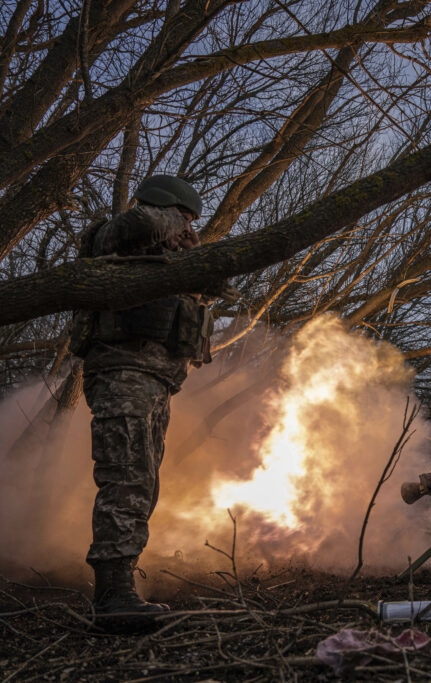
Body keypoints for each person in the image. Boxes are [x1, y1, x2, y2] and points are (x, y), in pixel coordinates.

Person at [71, 175, 232, 628]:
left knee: (142, 481)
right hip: (124, 372)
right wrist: (169, 220)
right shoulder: (114, 234)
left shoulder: (167, 258)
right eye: (182, 218)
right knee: (126, 478)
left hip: (155, 380)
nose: (185, 228)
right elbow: (139, 222)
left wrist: (190, 249)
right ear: (165, 209)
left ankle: (119, 589)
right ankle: (112, 597)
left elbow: (218, 284)